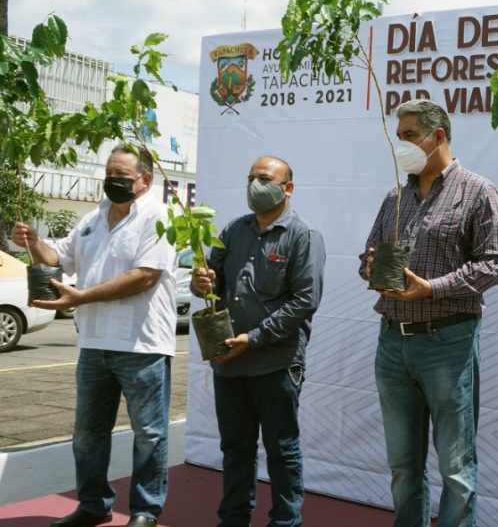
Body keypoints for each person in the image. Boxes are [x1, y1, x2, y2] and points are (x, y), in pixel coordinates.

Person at [358, 99, 498, 527]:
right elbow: (367, 256)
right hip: (392, 341)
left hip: (448, 342)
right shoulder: (396, 197)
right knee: (403, 465)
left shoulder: (478, 190)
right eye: (399, 136)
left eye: (408, 136)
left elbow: (495, 263)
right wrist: (370, 266)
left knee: (456, 469)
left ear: (437, 136)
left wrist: (432, 289)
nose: (401, 145)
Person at [10, 146, 176, 527]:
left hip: (142, 344)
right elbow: (58, 257)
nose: (112, 181)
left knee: (149, 434)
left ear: (145, 180)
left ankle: (146, 510)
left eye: (122, 175)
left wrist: (82, 296)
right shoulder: (93, 218)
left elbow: (145, 275)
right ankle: (93, 503)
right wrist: (33, 241)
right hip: (94, 343)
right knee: (87, 434)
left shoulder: (158, 218)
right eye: (109, 173)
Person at [191, 156, 326, 527]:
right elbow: (213, 282)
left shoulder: (303, 236)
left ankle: (286, 521)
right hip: (230, 361)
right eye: (251, 178)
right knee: (235, 448)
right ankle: (233, 518)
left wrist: (254, 337)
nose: (255, 185)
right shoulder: (235, 229)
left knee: (282, 449)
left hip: (275, 363)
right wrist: (200, 282)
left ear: (288, 188)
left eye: (264, 178)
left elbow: (305, 301)